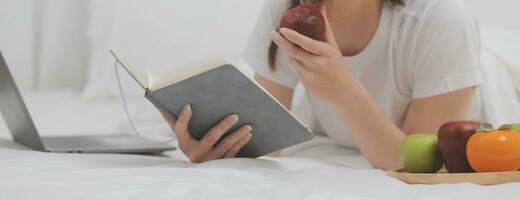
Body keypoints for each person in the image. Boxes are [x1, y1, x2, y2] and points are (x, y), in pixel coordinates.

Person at [163, 0, 520, 169]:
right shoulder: (285, 11)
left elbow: (420, 165)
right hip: (352, 136)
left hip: (491, 101)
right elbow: (263, 141)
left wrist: (345, 90)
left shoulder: (440, 22)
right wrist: (216, 152)